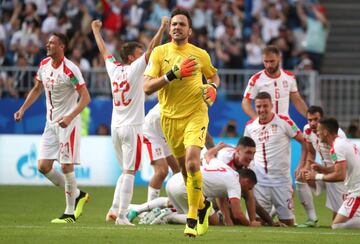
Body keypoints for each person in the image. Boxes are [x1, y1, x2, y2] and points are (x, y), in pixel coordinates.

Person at [143, 8, 220, 237]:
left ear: (189, 30)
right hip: (169, 119)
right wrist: (171, 75)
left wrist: (213, 88)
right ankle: (204, 205)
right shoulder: (159, 53)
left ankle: (193, 218)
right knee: (185, 172)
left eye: (181, 24)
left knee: (193, 163)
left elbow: (214, 75)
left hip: (196, 113)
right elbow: (146, 87)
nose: (177, 27)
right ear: (170, 29)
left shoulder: (199, 54)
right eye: (174, 24)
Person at [91, 17, 168, 226]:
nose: (144, 54)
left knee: (125, 171)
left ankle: (114, 210)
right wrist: (161, 27)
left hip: (115, 127)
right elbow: (152, 49)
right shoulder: (136, 69)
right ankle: (123, 217)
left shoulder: (114, 69)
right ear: (134, 57)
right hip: (132, 127)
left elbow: (104, 51)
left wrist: (95, 31)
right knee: (129, 172)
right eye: (140, 51)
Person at [13, 32, 91, 223]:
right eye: (47, 42)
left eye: (52, 43)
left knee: (66, 166)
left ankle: (70, 213)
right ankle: (78, 194)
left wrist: (70, 115)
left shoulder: (71, 70)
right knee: (43, 166)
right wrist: (22, 109)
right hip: (51, 124)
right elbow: (37, 89)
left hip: (68, 124)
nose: (47, 45)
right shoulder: (43, 65)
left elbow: (85, 97)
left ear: (62, 46)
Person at [244, 92, 306, 226]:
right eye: (259, 106)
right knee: (256, 223)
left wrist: (301, 165)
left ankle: (273, 211)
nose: (262, 110)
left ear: (272, 105)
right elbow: (245, 151)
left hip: (281, 182)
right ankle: (270, 213)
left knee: (288, 224)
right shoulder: (250, 126)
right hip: (259, 182)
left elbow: (305, 142)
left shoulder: (285, 121)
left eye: (265, 106)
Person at [129, 163, 259, 227]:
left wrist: (227, 218)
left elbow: (221, 195)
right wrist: (250, 224)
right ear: (246, 181)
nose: (247, 191)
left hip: (174, 180)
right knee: (210, 220)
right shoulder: (235, 183)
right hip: (186, 188)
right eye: (249, 188)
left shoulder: (228, 171)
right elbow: (238, 214)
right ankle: (168, 216)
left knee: (171, 202)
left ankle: (136, 209)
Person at [304, 117, 360, 229]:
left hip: (357, 191)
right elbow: (338, 168)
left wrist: (317, 176)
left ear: (325, 132)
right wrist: (323, 169)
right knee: (340, 223)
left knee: (337, 225)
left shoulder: (337, 147)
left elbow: (340, 175)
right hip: (354, 190)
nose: (317, 133)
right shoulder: (341, 143)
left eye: (319, 130)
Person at [296, 106, 347, 227]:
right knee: (301, 176)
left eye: (316, 119)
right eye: (310, 120)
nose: (312, 123)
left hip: (338, 173)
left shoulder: (338, 135)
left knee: (338, 222)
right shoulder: (307, 130)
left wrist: (321, 171)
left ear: (322, 119)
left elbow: (340, 166)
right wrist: (305, 167)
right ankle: (312, 219)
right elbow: (311, 152)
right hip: (322, 169)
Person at [242, 45, 308, 119]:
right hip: (267, 123)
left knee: (297, 131)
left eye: (272, 61)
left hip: (286, 122)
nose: (269, 65)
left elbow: (297, 100)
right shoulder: (256, 79)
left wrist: (309, 117)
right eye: (266, 61)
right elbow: (245, 103)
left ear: (279, 59)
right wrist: (257, 119)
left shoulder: (290, 77)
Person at [143, 103, 181, 202]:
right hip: (150, 133)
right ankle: (149, 208)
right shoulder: (178, 100)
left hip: (165, 134)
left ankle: (175, 203)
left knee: (179, 171)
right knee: (162, 171)